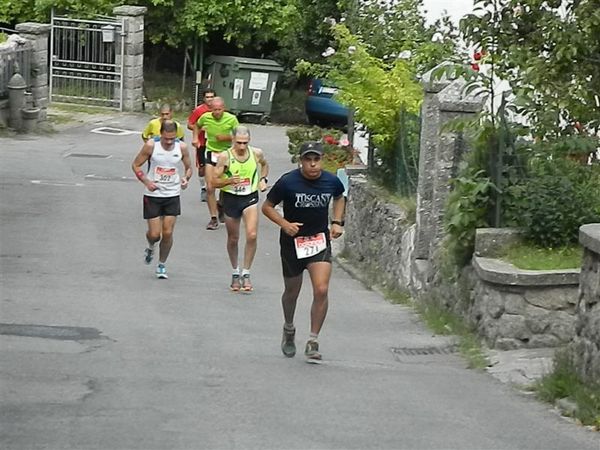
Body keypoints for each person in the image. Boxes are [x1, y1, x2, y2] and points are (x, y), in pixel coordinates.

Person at [261, 142, 345, 363]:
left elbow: (339, 196)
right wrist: (284, 224)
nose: (313, 164)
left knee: (321, 288)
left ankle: (313, 340)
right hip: (292, 243)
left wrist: (337, 222)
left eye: (316, 159)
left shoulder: (331, 181)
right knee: (292, 292)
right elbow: (267, 207)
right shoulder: (288, 182)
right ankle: (289, 328)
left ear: (322, 160)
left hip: (318, 240)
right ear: (301, 161)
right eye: (308, 160)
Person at [132, 120, 192, 279]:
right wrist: (146, 181)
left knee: (167, 232)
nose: (169, 142)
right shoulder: (151, 146)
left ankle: (161, 264)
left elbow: (189, 167)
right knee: (155, 234)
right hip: (153, 195)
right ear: (161, 134)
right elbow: (136, 165)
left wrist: (186, 178)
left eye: (172, 139)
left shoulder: (182, 147)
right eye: (166, 139)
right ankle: (151, 246)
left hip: (172, 194)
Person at [212, 126, 269, 292]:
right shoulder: (225, 157)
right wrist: (228, 181)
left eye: (245, 143)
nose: (242, 146)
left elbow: (265, 165)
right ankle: (235, 271)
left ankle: (246, 272)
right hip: (230, 198)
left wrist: (263, 179)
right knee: (233, 238)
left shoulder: (257, 153)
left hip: (249, 197)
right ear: (232, 141)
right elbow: (214, 182)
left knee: (252, 235)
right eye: (239, 143)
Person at [194, 97, 239, 230]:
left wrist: (226, 137)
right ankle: (213, 218)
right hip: (211, 152)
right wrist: (196, 138)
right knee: (210, 187)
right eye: (214, 110)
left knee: (225, 185)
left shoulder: (231, 119)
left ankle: (221, 204)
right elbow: (197, 125)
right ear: (210, 109)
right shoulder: (205, 117)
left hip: (227, 154)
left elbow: (240, 136)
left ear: (224, 108)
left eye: (219, 109)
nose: (217, 112)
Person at [187, 89, 216, 202]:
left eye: (212, 97)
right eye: (208, 97)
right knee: (202, 167)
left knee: (216, 166)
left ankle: (213, 189)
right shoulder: (199, 110)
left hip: (215, 143)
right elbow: (190, 124)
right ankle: (203, 188)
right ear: (204, 99)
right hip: (202, 143)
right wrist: (200, 128)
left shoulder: (218, 109)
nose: (210, 99)